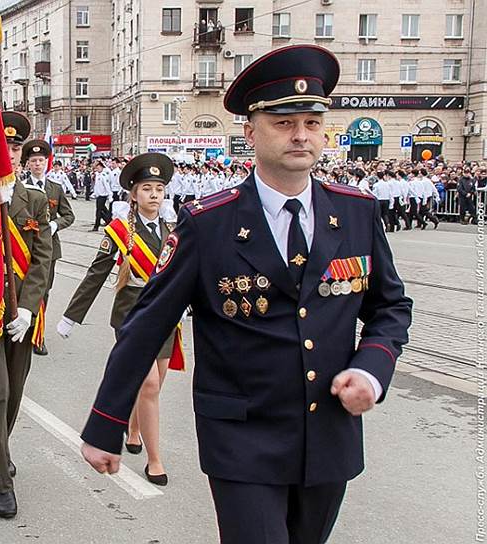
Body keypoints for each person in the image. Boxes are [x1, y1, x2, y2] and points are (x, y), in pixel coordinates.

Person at [79, 45, 412, 544]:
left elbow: (390, 307)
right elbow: (147, 323)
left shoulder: (358, 213)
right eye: (283, 122)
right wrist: (105, 424)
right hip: (243, 438)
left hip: (328, 436)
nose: (300, 134)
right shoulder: (208, 223)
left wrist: (372, 369)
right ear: (251, 131)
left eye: (312, 121)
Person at [59, 152, 182, 486]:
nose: (154, 194)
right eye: (147, 188)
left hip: (166, 316)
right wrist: (72, 316)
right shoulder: (120, 230)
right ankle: (155, 461)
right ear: (133, 194)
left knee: (156, 382)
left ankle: (135, 427)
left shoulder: (175, 229)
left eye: (159, 188)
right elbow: (96, 273)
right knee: (150, 384)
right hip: (131, 313)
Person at [0, 111, 52, 519]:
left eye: (17, 147)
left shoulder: (35, 200)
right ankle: (2, 481)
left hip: (21, 315)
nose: (12, 154)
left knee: (15, 395)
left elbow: (42, 259)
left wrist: (26, 307)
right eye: (5, 148)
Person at [35, 152, 75, 356]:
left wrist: (55, 224)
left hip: (49, 249)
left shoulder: (55, 189)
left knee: (43, 292)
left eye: (40, 161)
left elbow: (69, 216)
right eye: (33, 161)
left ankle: (38, 335)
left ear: (46, 163)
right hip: (26, 247)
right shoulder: (22, 186)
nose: (37, 164)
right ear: (28, 164)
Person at [91, 160, 112, 230]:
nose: (98, 169)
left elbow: (107, 186)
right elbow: (97, 186)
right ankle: (109, 222)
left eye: (99, 168)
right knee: (104, 210)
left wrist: (110, 195)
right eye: (97, 168)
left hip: (103, 196)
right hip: (99, 195)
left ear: (102, 168)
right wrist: (94, 193)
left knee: (98, 211)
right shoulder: (98, 175)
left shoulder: (103, 176)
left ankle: (96, 226)